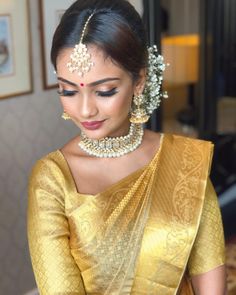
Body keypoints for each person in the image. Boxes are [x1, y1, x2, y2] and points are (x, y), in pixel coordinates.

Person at [27, 0, 226, 294]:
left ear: (139, 81)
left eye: (105, 91)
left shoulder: (184, 162)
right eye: (68, 90)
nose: (85, 110)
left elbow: (209, 275)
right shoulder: (53, 178)